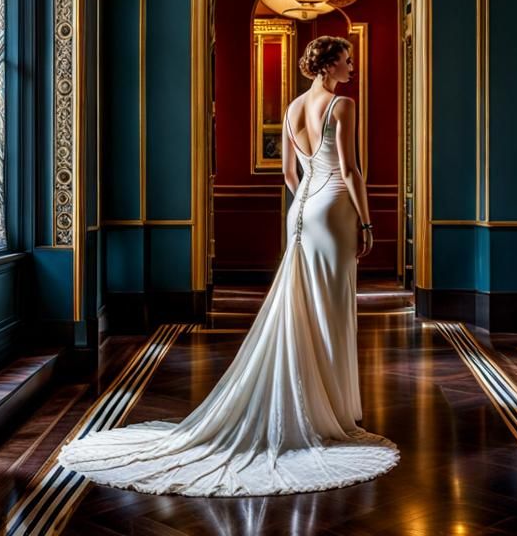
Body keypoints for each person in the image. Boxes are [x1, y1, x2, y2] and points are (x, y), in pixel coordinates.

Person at [57, 35, 399, 496]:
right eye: (346, 60)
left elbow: (287, 173)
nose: (351, 66)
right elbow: (353, 170)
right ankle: (331, 410)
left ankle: (317, 401)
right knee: (332, 304)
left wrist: (304, 203)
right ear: (328, 66)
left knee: (303, 301)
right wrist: (367, 221)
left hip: (302, 210)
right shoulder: (342, 106)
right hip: (335, 206)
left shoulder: (295, 107)